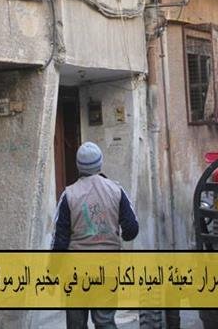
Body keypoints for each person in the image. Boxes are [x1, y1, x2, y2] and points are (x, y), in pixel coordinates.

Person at [52, 141, 139, 329]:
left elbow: (59, 240)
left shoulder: (69, 195)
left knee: (76, 324)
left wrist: (52, 271)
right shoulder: (116, 190)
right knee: (105, 321)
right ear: (100, 163)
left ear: (78, 166)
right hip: (107, 269)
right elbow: (132, 229)